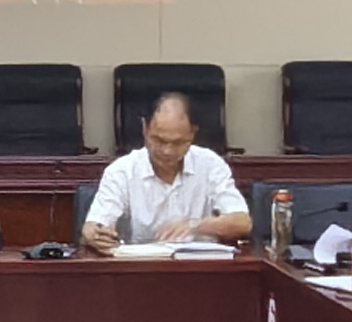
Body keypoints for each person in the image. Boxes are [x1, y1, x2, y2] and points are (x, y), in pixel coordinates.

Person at [83, 91, 248, 251]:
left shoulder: (210, 164)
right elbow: (94, 226)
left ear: (192, 134)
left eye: (178, 143)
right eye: (159, 140)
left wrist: (195, 225)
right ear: (145, 129)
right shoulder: (122, 171)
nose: (167, 151)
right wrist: (95, 233)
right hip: (142, 265)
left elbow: (243, 222)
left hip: (199, 263)